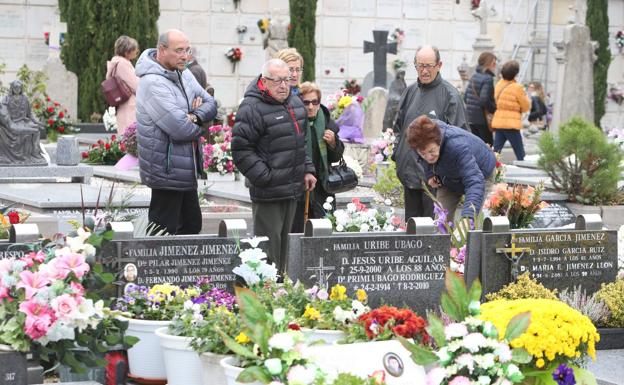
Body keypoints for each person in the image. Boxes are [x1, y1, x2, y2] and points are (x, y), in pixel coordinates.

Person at [232, 58, 316, 274]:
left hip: (291, 187)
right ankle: (265, 295)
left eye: (286, 80)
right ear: (264, 81)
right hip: (268, 190)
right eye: (277, 81)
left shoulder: (295, 102)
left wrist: (307, 168)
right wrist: (265, 177)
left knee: (284, 247)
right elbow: (242, 150)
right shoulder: (251, 108)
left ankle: (281, 292)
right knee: (267, 249)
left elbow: (301, 141)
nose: (283, 85)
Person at [135, 29, 217, 235]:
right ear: (161, 50)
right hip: (167, 167)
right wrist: (197, 119)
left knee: (191, 226)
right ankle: (154, 268)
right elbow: (181, 128)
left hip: (185, 167)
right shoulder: (152, 82)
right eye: (179, 50)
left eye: (187, 50)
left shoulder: (183, 72)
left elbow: (211, 103)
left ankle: (182, 269)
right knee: (163, 231)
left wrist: (194, 116)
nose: (185, 56)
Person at [392, 45, 468, 221]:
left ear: (439, 65)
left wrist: (442, 172)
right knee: (411, 231)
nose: (424, 71)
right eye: (420, 66)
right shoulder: (410, 91)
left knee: (432, 233)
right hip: (409, 175)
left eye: (429, 66)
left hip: (434, 180)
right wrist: (398, 155)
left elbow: (459, 136)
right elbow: (398, 127)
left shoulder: (450, 95)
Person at [407, 115, 495, 220]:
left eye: (431, 151)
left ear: (439, 141)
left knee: (471, 226)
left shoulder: (456, 146)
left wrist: (468, 217)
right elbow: (423, 157)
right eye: (423, 154)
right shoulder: (418, 142)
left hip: (480, 173)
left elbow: (475, 182)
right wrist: (430, 174)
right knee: (441, 223)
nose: (428, 157)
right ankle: (444, 236)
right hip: (449, 177)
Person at [291, 82, 345, 233]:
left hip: (323, 189)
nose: (310, 107)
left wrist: (334, 143)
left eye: (315, 102)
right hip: (300, 187)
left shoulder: (326, 121)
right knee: (299, 231)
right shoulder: (294, 123)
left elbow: (335, 157)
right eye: (306, 102)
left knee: (323, 231)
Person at [491, 60, 531, 161]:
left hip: (499, 122)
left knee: (496, 153)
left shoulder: (499, 84)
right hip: (512, 124)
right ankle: (524, 172)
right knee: (520, 154)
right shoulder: (518, 87)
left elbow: (495, 100)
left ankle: (491, 172)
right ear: (515, 73)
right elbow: (526, 106)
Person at [0, 80, 46, 166]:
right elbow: (4, 115)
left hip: (24, 122)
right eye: (15, 87)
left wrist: (38, 122)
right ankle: (31, 155)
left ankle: (35, 153)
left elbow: (30, 115)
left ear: (21, 89)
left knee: (37, 129)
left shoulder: (25, 99)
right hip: (13, 124)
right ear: (12, 88)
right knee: (34, 131)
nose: (17, 89)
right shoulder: (6, 99)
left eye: (19, 88)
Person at [106, 35, 140, 134]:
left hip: (123, 104)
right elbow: (136, 85)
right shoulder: (123, 64)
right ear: (127, 52)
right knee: (130, 137)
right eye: (134, 49)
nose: (136, 52)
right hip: (130, 105)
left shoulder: (115, 62)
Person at [464, 51, 497, 145]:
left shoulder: (474, 76)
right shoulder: (488, 78)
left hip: (471, 118)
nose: (495, 66)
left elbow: (466, 97)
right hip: (483, 120)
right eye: (494, 63)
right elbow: (484, 100)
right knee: (488, 147)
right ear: (489, 64)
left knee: (476, 146)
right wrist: (494, 109)